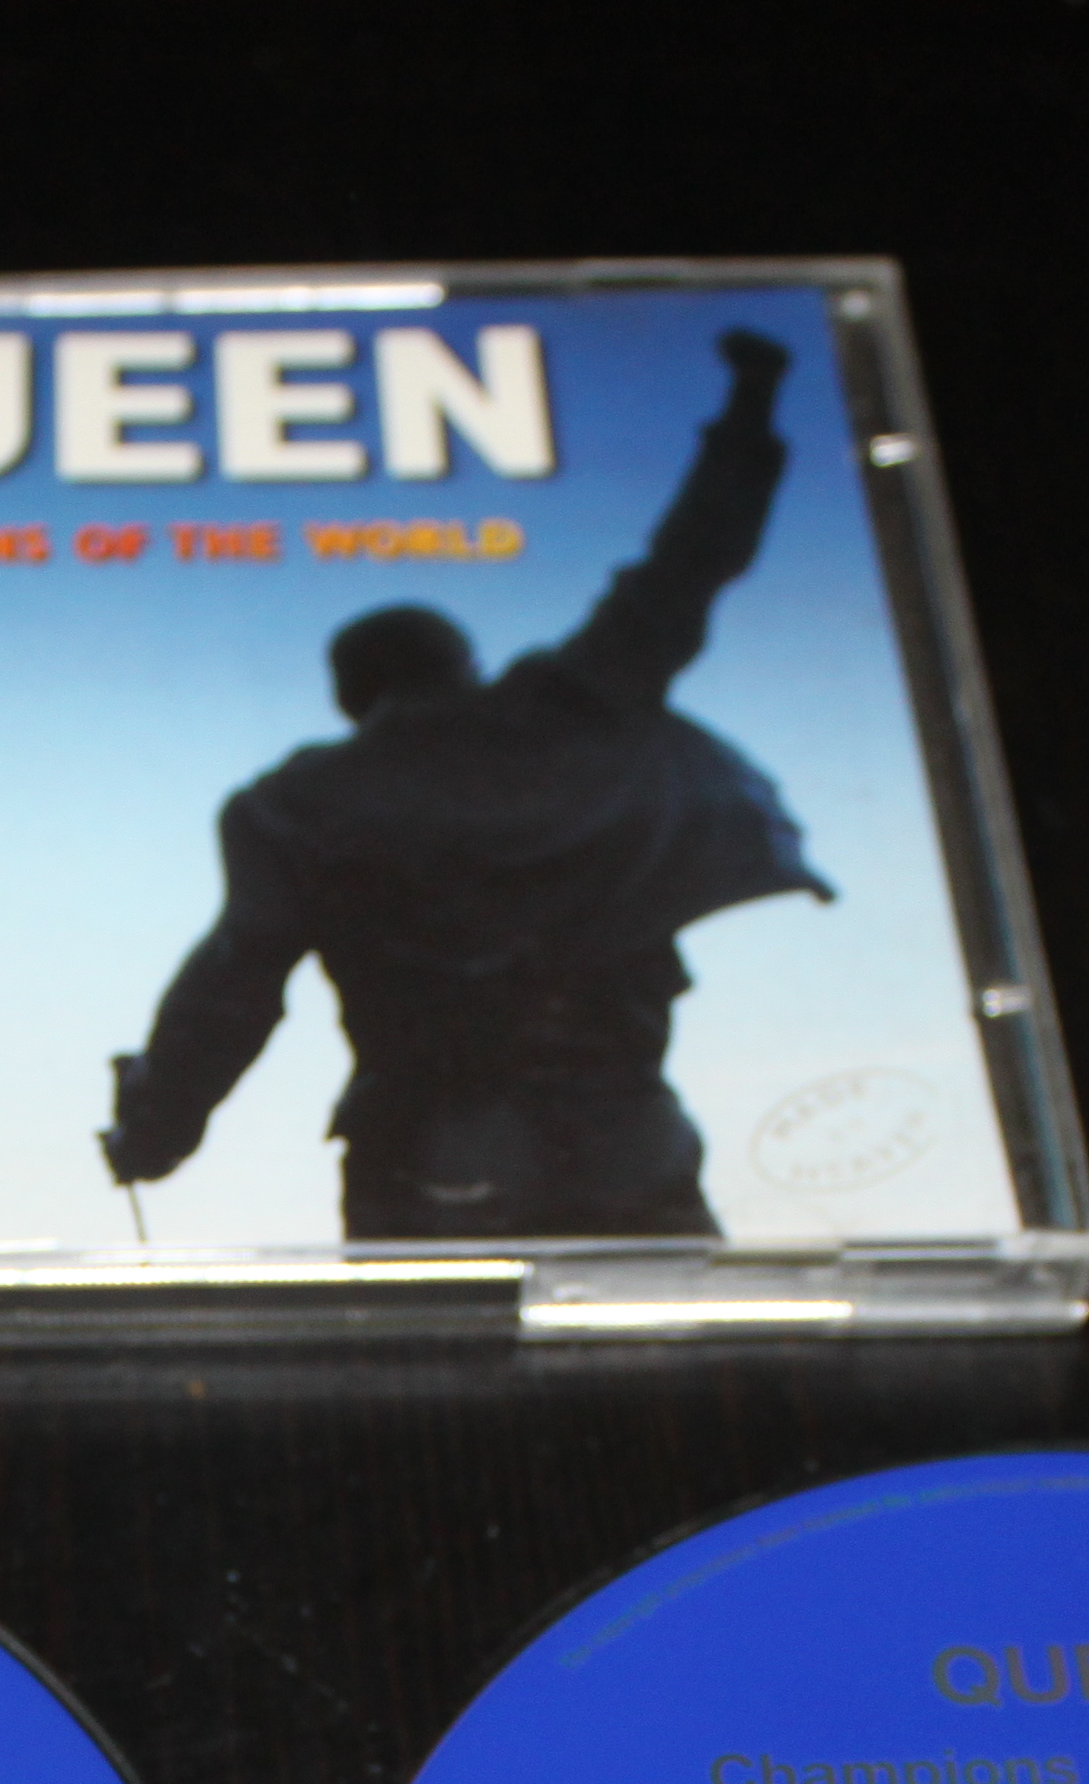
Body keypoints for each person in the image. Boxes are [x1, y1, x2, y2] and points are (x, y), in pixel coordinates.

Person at [101, 327, 828, 1240]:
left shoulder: (292, 806)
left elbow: (233, 986)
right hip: (623, 1132)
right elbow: (694, 556)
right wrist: (753, 400)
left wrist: (155, 1129)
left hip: (430, 1152)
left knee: (442, 1338)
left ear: (349, 698)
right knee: (664, 1321)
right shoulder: (578, 705)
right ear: (466, 668)